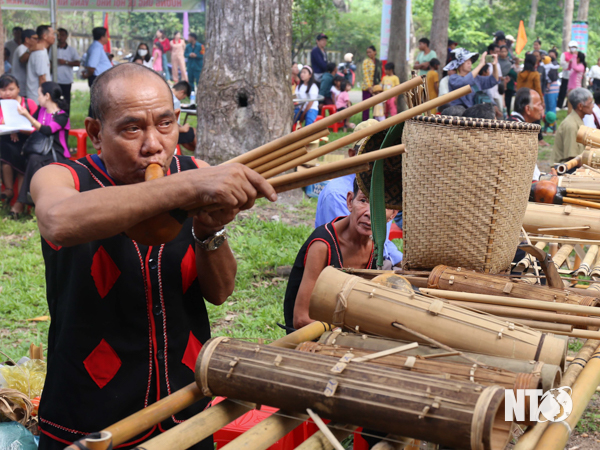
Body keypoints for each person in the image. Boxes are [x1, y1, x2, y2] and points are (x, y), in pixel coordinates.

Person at [30, 63, 276, 450]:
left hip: (185, 404)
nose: (153, 144)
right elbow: (58, 220)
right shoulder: (63, 177)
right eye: (132, 128)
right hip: (88, 415)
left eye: (165, 124)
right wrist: (182, 188)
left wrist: (209, 231)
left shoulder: (194, 173)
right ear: (96, 133)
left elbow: (221, 292)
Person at [285, 178, 399, 330]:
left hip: (345, 325)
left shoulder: (375, 246)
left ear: (393, 214)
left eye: (381, 205)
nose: (369, 213)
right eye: (363, 200)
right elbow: (301, 319)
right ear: (350, 201)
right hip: (312, 336)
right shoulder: (323, 245)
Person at [12, 81, 69, 219]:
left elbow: (47, 130)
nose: (38, 98)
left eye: (39, 95)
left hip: (57, 154)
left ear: (47, 96)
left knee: (33, 160)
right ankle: (32, 203)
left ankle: (21, 204)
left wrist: (27, 115)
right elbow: (30, 126)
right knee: (30, 159)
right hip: (40, 153)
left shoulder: (62, 116)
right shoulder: (41, 111)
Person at [0, 75, 38, 213]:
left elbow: (37, 126)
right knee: (6, 147)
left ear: (18, 89)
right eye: (3, 90)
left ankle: (10, 191)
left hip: (27, 141)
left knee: (10, 152)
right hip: (6, 141)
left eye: (11, 89)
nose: (7, 93)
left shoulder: (29, 104)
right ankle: (12, 194)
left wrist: (17, 128)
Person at [507, 88, 544, 180]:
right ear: (527, 109)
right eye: (539, 105)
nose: (541, 108)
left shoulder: (515, 124)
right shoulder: (518, 130)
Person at [553, 88, 594, 163]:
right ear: (580, 106)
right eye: (590, 103)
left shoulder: (578, 120)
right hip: (568, 170)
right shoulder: (571, 125)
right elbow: (572, 159)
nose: (593, 106)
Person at [26, 25, 55, 103]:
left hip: (37, 98)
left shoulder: (42, 51)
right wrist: (45, 98)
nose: (54, 37)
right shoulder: (40, 53)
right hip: (38, 99)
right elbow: (42, 78)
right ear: (45, 36)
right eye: (52, 34)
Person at [55, 28, 80, 108]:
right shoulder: (53, 49)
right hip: (54, 79)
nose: (60, 37)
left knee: (66, 101)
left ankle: (65, 119)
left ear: (66, 37)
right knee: (55, 101)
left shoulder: (71, 50)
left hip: (66, 80)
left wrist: (66, 62)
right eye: (58, 35)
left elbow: (78, 63)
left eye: (62, 35)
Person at [11, 29, 37, 95]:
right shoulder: (21, 48)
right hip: (20, 82)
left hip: (25, 83)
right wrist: (30, 49)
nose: (37, 41)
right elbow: (23, 59)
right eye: (34, 38)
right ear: (27, 39)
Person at [172, 81, 196, 152]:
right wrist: (183, 129)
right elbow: (172, 124)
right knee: (193, 132)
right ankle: (201, 155)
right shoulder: (175, 101)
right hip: (170, 132)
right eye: (183, 97)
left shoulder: (165, 93)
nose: (181, 99)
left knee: (188, 135)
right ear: (182, 92)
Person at [361, 45, 381, 121]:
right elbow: (366, 75)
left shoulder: (378, 62)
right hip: (367, 88)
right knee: (366, 107)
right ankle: (365, 122)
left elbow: (380, 75)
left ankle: (374, 122)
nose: (368, 54)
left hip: (376, 88)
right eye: (367, 52)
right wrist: (369, 87)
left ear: (375, 52)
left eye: (370, 52)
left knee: (375, 107)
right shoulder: (366, 62)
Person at [558, 41, 578, 109]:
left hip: (574, 76)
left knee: (571, 91)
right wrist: (569, 62)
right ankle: (559, 105)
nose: (573, 49)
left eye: (575, 47)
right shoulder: (564, 54)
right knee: (563, 90)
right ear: (569, 47)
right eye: (572, 47)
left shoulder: (577, 55)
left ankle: (567, 105)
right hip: (566, 75)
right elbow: (562, 63)